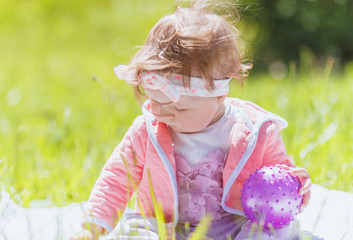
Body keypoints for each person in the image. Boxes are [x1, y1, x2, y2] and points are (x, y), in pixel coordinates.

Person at [71, 1, 311, 239]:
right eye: (154, 100)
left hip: (232, 226)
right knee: (134, 231)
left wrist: (293, 183)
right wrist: (91, 229)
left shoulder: (255, 131)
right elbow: (117, 178)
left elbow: (280, 170)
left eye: (180, 107)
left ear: (219, 94)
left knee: (275, 229)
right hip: (166, 227)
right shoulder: (147, 131)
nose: (162, 112)